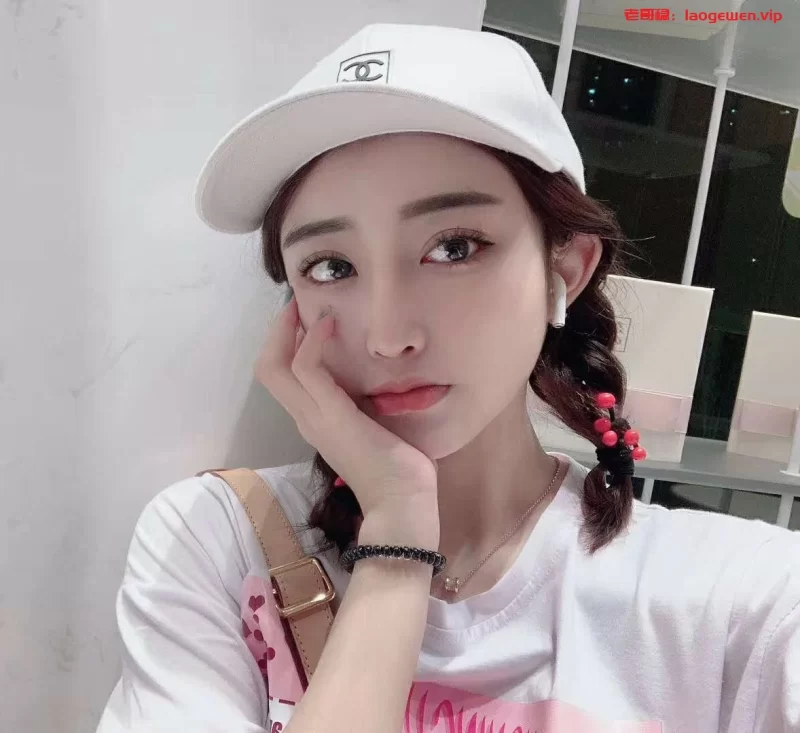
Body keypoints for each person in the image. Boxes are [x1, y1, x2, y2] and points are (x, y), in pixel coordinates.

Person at [95, 22, 800, 733]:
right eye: (331, 266)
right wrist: (396, 541)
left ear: (564, 268)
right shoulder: (218, 543)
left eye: (454, 247)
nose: (388, 335)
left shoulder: (740, 603)